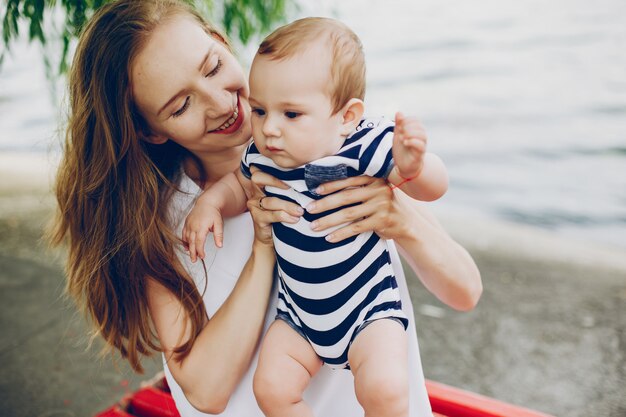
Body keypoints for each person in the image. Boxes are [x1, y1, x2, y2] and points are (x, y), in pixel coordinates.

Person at [48, 1, 482, 416]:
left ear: (220, 41)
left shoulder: (332, 144)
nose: (221, 104)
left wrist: (399, 219)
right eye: (181, 105)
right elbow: (204, 389)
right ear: (150, 130)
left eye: (214, 67)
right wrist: (262, 246)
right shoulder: (163, 221)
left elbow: (464, 290)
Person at [181, 17, 449, 417]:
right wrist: (211, 204)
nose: (269, 128)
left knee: (385, 389)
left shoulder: (359, 147)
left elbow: (433, 188)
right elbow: (237, 186)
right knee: (270, 389)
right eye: (259, 110)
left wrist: (412, 166)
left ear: (345, 117)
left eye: (291, 114)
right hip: (300, 318)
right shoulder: (263, 155)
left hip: (367, 309)